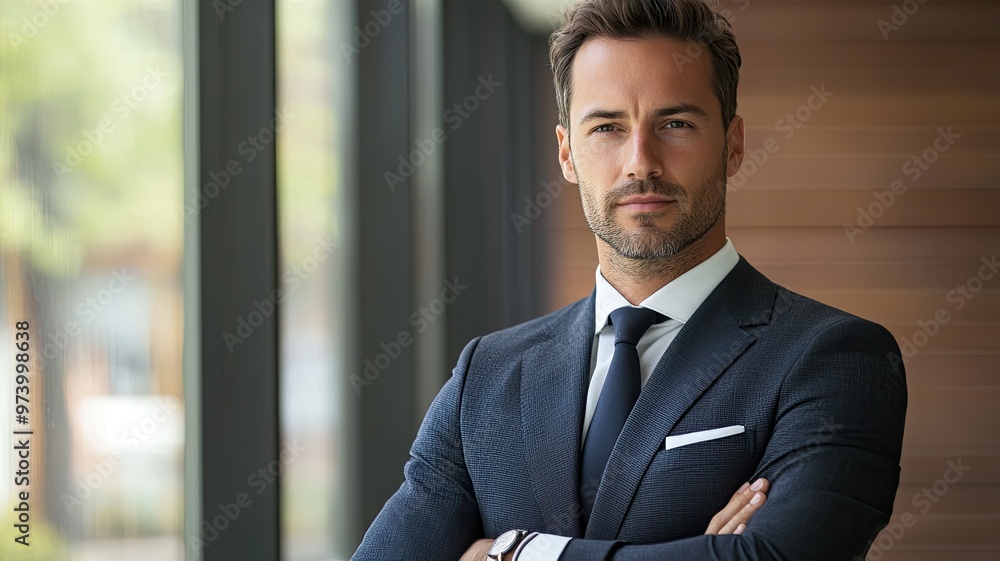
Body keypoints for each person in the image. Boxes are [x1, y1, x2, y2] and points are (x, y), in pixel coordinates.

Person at [353, 0, 907, 559]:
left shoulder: (836, 357)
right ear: (567, 152)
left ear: (733, 145)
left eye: (675, 124)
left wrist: (517, 553)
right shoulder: (488, 376)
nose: (641, 161)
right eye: (608, 127)